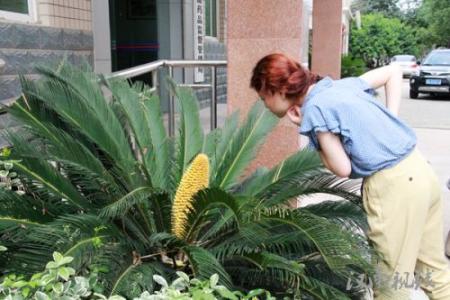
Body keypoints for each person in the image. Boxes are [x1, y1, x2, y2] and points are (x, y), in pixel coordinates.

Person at [250, 52, 450, 299]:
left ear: (278, 90)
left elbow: (341, 168)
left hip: (394, 186)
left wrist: (307, 128)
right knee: (435, 272)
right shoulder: (340, 86)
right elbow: (392, 72)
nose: (264, 106)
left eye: (263, 98)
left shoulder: (314, 109)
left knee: (390, 284)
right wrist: (391, 119)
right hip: (419, 169)